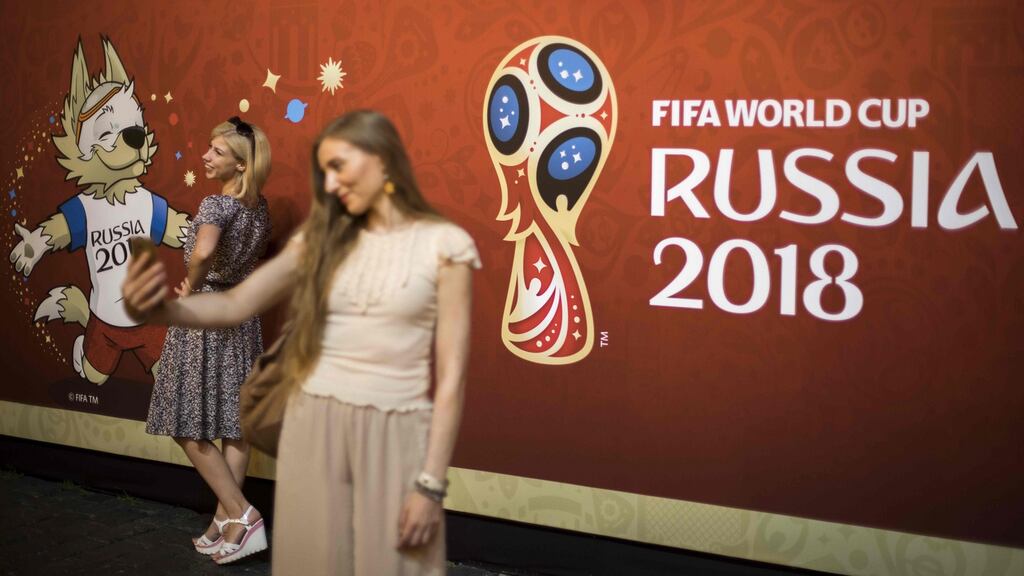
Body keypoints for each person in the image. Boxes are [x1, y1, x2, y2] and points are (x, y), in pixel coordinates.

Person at [123, 110, 479, 574]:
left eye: (342, 167)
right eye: (325, 170)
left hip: (392, 443)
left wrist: (430, 486)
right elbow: (235, 305)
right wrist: (163, 309)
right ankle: (235, 522)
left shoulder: (443, 245)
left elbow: (451, 382)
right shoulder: (316, 241)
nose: (330, 185)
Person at [143, 116, 272, 564]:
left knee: (184, 420)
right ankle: (227, 523)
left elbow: (201, 252)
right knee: (234, 423)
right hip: (241, 315)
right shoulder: (259, 207)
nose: (205, 156)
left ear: (239, 164)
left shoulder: (217, 205)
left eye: (216, 151)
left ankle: (243, 514)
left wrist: (191, 285)